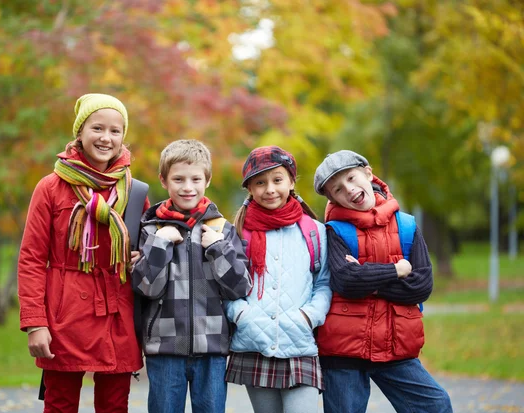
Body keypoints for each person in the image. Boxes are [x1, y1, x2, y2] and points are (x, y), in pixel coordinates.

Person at [18, 93, 149, 413]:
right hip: (65, 314)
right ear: (80, 132)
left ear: (123, 137)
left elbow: (149, 252)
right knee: (60, 405)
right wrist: (36, 323)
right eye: (97, 128)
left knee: (115, 406)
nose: (106, 138)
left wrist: (142, 258)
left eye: (115, 131)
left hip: (117, 313)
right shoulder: (50, 187)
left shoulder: (135, 191)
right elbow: (32, 259)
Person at [313, 150, 453, 413]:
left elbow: (422, 285)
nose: (349, 190)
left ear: (368, 173)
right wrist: (396, 270)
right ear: (332, 199)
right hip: (344, 350)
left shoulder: (407, 226)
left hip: (394, 345)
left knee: (435, 405)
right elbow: (346, 281)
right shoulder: (334, 231)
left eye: (352, 178)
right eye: (338, 190)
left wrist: (368, 279)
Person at [131, 139, 252, 413]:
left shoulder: (222, 230)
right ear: (164, 180)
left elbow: (240, 287)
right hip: (164, 349)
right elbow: (147, 288)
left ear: (206, 180)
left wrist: (218, 248)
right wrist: (160, 244)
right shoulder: (151, 230)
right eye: (178, 179)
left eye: (196, 178)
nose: (188, 187)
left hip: (212, 348)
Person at [224, 146, 332, 413]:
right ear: (249, 188)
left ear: (292, 181)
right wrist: (241, 315)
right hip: (254, 342)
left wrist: (309, 317)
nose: (270, 189)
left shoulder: (314, 231)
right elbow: (225, 284)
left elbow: (324, 282)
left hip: (299, 342)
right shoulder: (237, 232)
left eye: (277, 180)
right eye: (260, 182)